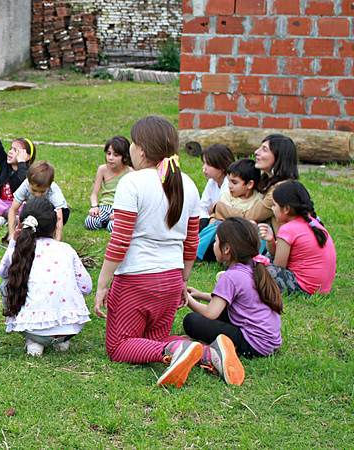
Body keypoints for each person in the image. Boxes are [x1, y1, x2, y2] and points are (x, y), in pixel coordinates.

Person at [93, 116, 201, 389]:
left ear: (140, 149)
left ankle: (173, 352)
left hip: (137, 281)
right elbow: (191, 243)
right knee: (152, 339)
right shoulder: (188, 183)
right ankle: (204, 351)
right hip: (171, 280)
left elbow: (120, 241)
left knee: (118, 347)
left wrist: (103, 284)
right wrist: (183, 282)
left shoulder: (133, 183)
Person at [184, 218, 283, 385]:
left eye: (215, 242)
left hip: (253, 343)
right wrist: (201, 294)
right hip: (269, 341)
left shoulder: (231, 276)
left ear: (227, 249)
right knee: (221, 312)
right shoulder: (253, 267)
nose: (214, 246)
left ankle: (219, 350)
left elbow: (211, 313)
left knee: (192, 321)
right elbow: (235, 299)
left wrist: (187, 299)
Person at [0, 197, 92, 356]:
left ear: (21, 225)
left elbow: (2, 272)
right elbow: (87, 287)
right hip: (70, 329)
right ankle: (61, 340)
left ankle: (35, 342)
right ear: (55, 224)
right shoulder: (66, 249)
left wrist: (13, 242)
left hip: (33, 330)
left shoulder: (21, 251)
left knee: (7, 281)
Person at [259, 181, 337, 295]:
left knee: (259, 268)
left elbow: (278, 267)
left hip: (305, 288)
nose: (272, 208)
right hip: (321, 289)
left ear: (286, 209)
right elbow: (276, 255)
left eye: (274, 205)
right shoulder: (313, 222)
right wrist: (271, 240)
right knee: (264, 260)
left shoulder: (287, 229)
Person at [214, 134, 299, 234]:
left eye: (264, 149)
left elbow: (249, 216)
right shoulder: (266, 181)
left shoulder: (281, 189)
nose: (256, 152)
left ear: (278, 157)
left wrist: (218, 207)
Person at [0, 102, 36, 226]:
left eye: (15, 150)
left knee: (29, 207)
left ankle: (5, 218)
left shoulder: (29, 172)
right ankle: (8, 216)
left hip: (19, 205)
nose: (10, 152)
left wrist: (21, 163)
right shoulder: (5, 164)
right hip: (2, 204)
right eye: (11, 148)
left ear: (27, 156)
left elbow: (23, 182)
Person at [196, 158, 262, 262]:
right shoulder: (227, 196)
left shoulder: (258, 199)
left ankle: (255, 260)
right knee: (216, 225)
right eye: (229, 181)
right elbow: (218, 215)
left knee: (260, 232)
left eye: (234, 183)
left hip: (245, 235)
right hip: (227, 232)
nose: (230, 186)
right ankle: (196, 252)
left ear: (249, 184)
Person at [7, 161, 70, 241]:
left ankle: (47, 233)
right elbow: (13, 209)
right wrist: (11, 234)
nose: (37, 194)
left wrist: (57, 242)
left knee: (47, 234)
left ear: (49, 186)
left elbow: (59, 218)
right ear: (28, 182)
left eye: (42, 192)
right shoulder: (25, 185)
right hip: (37, 209)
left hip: (57, 213)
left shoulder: (53, 191)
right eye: (34, 190)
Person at [84, 136, 133, 233]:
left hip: (120, 207)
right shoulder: (102, 169)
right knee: (90, 222)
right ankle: (104, 221)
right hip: (104, 206)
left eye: (116, 155)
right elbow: (94, 193)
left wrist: (121, 213)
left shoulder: (130, 172)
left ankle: (109, 222)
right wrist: (94, 206)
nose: (110, 158)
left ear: (124, 156)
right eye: (108, 153)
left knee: (114, 227)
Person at [196, 144, 234, 231]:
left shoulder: (229, 184)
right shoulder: (212, 182)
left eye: (208, 164)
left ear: (222, 167)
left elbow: (220, 210)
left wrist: (211, 212)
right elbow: (202, 207)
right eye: (204, 163)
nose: (204, 168)